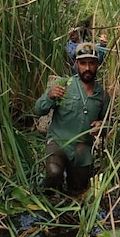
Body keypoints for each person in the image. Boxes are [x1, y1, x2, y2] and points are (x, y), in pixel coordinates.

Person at [35, 42, 110, 192]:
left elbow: (108, 125)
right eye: (83, 63)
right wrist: (49, 96)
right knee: (54, 173)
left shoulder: (102, 96)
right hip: (58, 143)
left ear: (97, 64)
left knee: (78, 190)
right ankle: (48, 199)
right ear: (76, 64)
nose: (87, 68)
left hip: (82, 151)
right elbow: (38, 110)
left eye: (91, 63)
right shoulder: (63, 85)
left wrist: (102, 126)